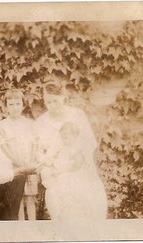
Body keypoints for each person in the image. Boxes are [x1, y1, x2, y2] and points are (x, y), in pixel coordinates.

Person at [35, 81, 108, 221]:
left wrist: (75, 163)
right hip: (53, 169)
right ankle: (67, 232)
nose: (52, 106)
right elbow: (38, 151)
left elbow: (87, 144)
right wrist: (46, 162)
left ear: (63, 97)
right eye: (48, 102)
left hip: (79, 164)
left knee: (89, 193)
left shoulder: (76, 115)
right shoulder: (40, 122)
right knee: (60, 192)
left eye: (55, 101)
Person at [39, 122, 108, 221]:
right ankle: (63, 218)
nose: (64, 140)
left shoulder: (78, 149)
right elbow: (58, 160)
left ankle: (78, 218)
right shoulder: (64, 147)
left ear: (75, 136)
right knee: (54, 190)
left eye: (66, 138)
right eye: (63, 138)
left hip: (77, 174)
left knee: (74, 192)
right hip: (65, 173)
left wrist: (59, 170)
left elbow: (75, 166)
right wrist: (49, 163)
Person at [0, 89, 38, 220]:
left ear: (23, 105)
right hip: (14, 166)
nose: (14, 108)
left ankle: (32, 225)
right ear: (5, 107)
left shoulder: (29, 124)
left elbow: (34, 144)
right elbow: (3, 147)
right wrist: (17, 162)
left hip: (28, 165)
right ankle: (21, 225)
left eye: (17, 104)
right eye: (11, 104)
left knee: (30, 197)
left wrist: (30, 162)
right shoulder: (2, 126)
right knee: (17, 198)